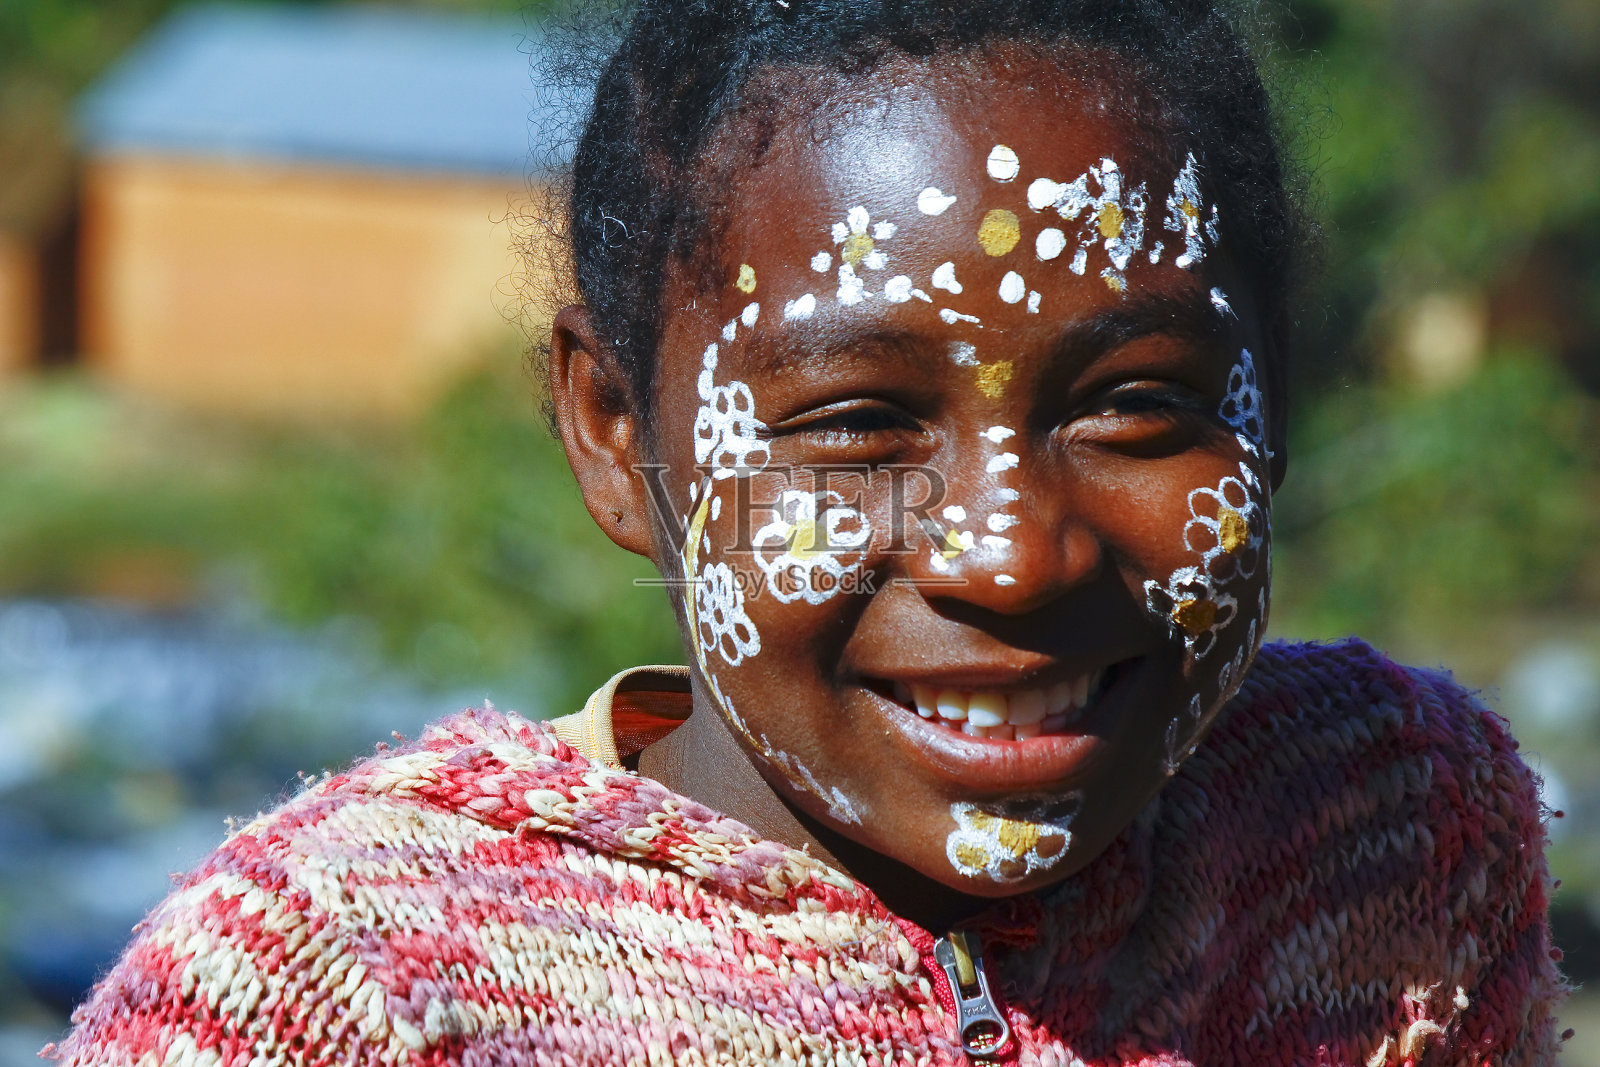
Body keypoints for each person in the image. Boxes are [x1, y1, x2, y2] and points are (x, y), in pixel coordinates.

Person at [52, 0, 1568, 1063]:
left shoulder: (1396, 842)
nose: (1012, 553)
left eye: (1136, 405)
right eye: (854, 423)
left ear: (1272, 398)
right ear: (617, 435)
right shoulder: (341, 990)